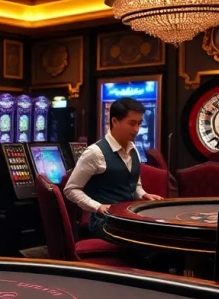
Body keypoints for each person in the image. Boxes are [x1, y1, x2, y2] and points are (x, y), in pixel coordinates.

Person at [64, 97, 163, 241]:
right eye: (131, 123)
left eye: (139, 123)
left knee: (162, 232)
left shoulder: (133, 148)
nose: (137, 129)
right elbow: (71, 189)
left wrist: (143, 194)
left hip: (127, 217)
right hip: (103, 222)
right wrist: (98, 207)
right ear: (115, 121)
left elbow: (133, 185)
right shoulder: (95, 153)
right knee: (148, 239)